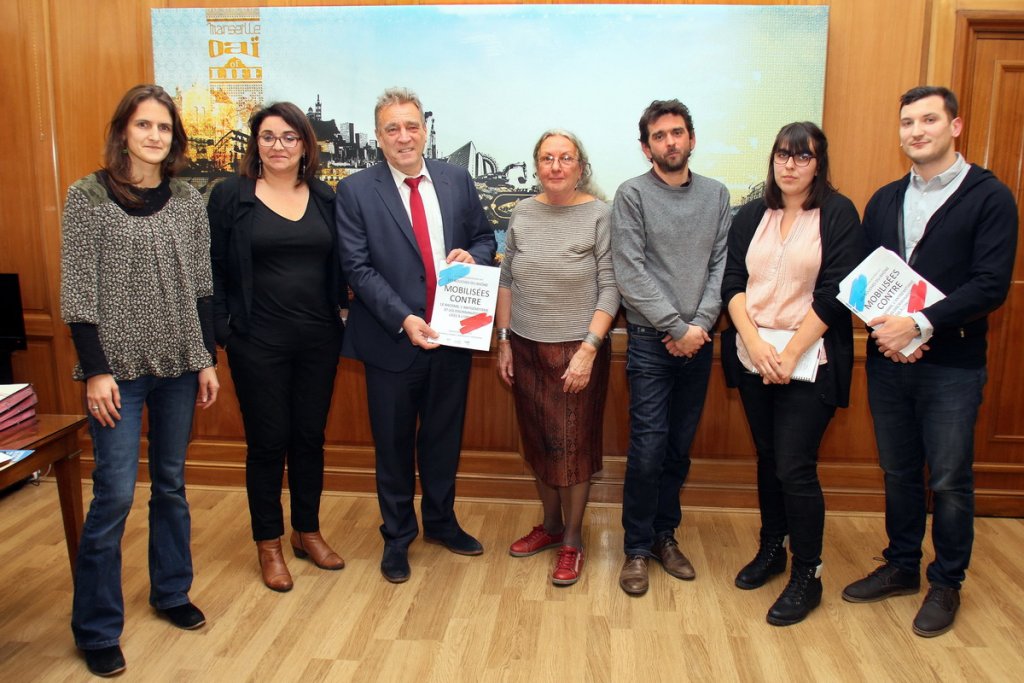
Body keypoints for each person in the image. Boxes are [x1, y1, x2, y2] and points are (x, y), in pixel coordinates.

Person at [842, 86, 1018, 637]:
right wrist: (887, 329)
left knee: (947, 477)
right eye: (906, 123)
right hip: (889, 360)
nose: (915, 131)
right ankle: (900, 566)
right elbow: (865, 277)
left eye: (928, 120)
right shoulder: (886, 199)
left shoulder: (990, 197)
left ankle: (946, 582)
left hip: (953, 365)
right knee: (897, 470)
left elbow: (990, 285)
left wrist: (919, 325)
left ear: (955, 126)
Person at [60, 84, 219, 677]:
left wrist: (206, 358)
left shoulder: (186, 200)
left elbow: (201, 286)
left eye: (164, 128)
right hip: (116, 374)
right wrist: (95, 369)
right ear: (123, 130)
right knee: (115, 496)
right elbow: (77, 292)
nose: (155, 136)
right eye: (143, 125)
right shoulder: (87, 196)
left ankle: (171, 592)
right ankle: (96, 627)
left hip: (179, 365)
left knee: (172, 485)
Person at [336, 87, 496, 583]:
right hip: (392, 340)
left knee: (444, 439)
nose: (403, 137)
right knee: (393, 444)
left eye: (411, 127)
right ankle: (398, 538)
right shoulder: (356, 190)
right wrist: (404, 318)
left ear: (424, 130)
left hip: (453, 337)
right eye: (392, 129)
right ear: (379, 137)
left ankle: (442, 524)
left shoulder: (455, 179)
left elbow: (485, 236)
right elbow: (357, 269)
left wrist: (475, 256)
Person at [721, 122, 861, 625]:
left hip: (812, 359)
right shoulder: (753, 213)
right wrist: (756, 344)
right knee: (766, 457)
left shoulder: (839, 214)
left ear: (819, 164)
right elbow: (732, 280)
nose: (790, 164)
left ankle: (809, 573)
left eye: (802, 157)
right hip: (753, 354)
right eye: (783, 154)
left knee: (795, 466)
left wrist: (792, 351)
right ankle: (771, 549)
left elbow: (837, 293)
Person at [208, 102, 348, 593]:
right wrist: (225, 334)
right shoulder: (231, 197)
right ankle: (268, 543)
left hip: (318, 340)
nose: (279, 146)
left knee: (310, 438)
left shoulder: (326, 198)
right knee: (268, 444)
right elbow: (215, 271)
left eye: (290, 137)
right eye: (268, 137)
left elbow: (342, 264)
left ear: (305, 145)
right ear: (255, 144)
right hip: (257, 343)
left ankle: (306, 531)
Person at [611, 99, 731, 596]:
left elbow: (721, 266)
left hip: (698, 344)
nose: (670, 142)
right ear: (646, 147)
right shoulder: (631, 195)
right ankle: (636, 549)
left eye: (677, 132)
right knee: (647, 449)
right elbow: (630, 272)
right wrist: (675, 328)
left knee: (678, 449)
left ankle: (665, 536)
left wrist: (698, 326)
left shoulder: (717, 195)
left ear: (692, 138)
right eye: (659, 136)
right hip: (648, 343)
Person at [495, 130, 619, 586]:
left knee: (573, 449)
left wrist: (589, 348)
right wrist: (504, 340)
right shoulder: (522, 213)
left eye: (565, 158)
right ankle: (548, 527)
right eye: (546, 158)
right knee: (539, 443)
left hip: (576, 351)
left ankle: (572, 539)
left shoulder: (599, 215)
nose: (555, 166)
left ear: (580, 165)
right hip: (525, 347)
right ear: (536, 165)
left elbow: (611, 286)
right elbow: (506, 279)